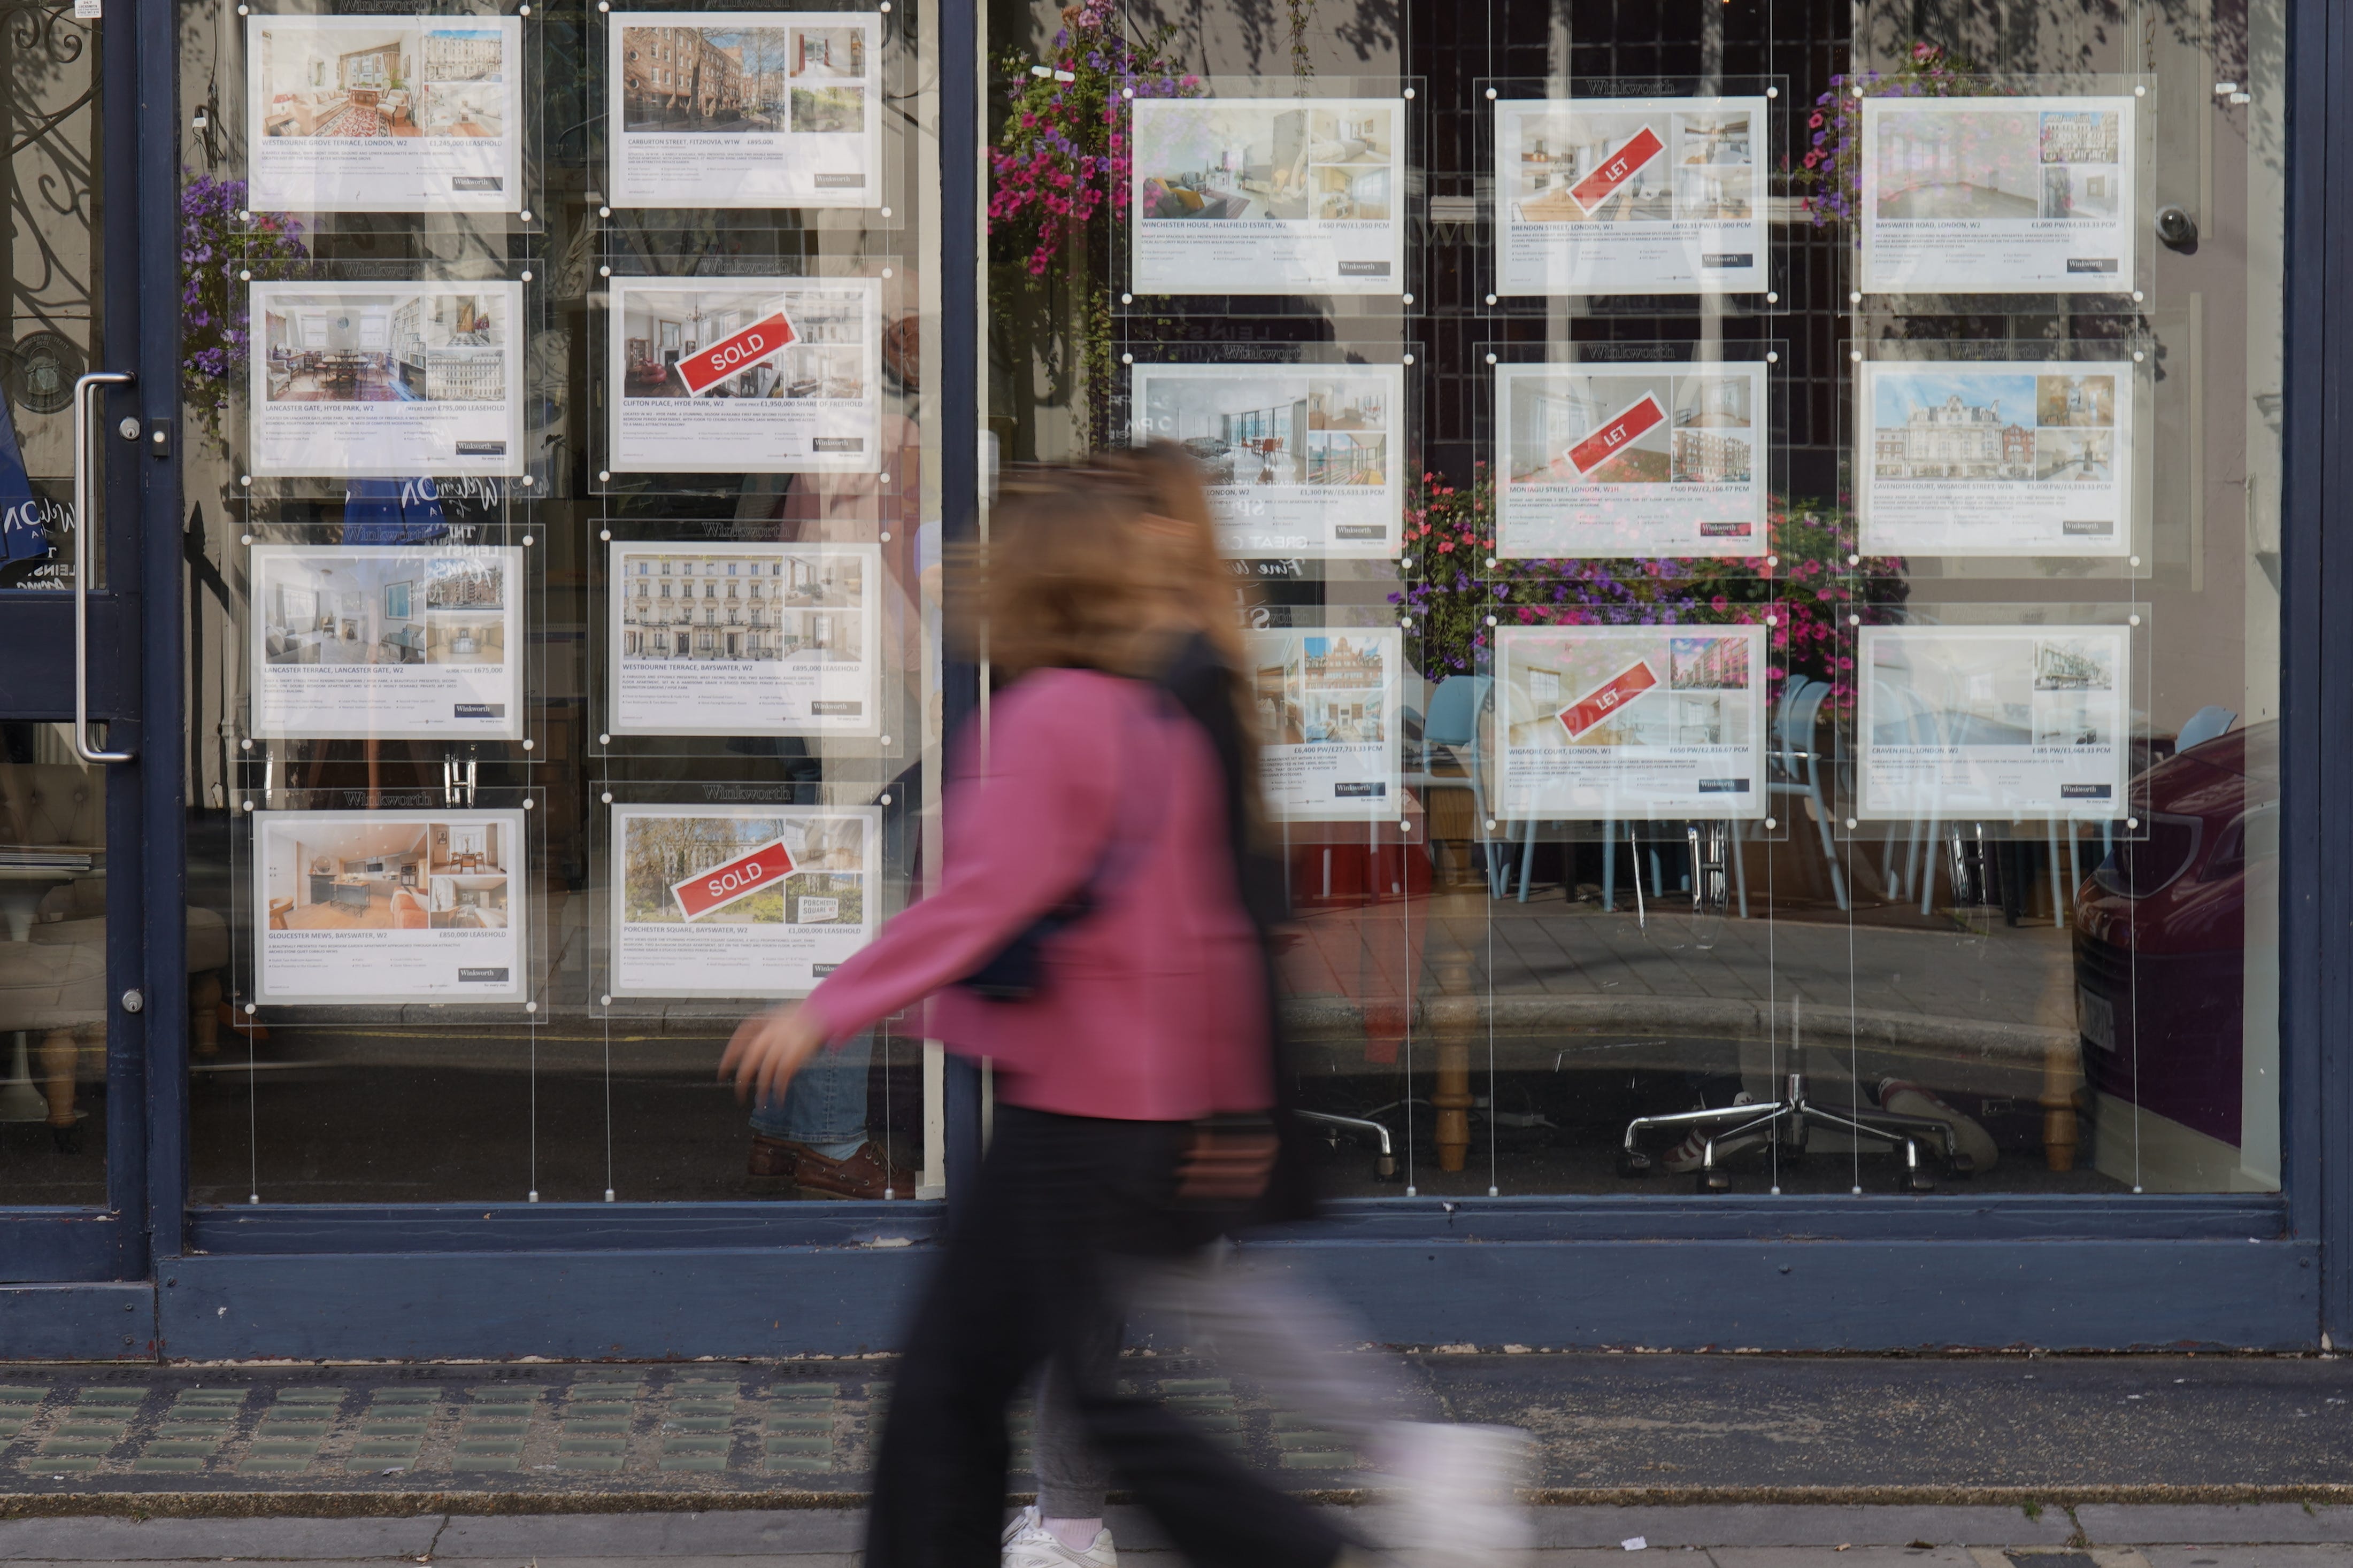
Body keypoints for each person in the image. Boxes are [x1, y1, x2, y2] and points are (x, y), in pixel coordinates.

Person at [720, 466, 1356, 1568]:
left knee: (953, 1390)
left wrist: (827, 1010)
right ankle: (1288, 1548)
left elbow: (976, 901)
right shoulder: (1152, 721)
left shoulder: (1047, 716)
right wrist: (1232, 1106)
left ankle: (1291, 1548)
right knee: (1041, 1379)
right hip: (1141, 1115)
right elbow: (1206, 933)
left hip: (1070, 1116)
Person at [998, 444, 1531, 1568]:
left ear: (1148, 534)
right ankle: (1400, 1462)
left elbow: (1203, 893)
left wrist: (1229, 1100)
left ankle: (1077, 1519)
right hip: (1150, 1048)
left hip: (1157, 1055)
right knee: (1174, 1288)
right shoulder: (1178, 663)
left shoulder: (1171, 674)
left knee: (1129, 1290)